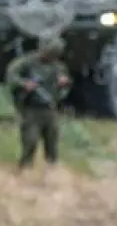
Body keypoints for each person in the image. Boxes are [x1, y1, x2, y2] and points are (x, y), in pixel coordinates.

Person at [5, 36, 71, 170]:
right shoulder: (26, 62)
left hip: (50, 108)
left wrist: (63, 84)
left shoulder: (58, 67)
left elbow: (65, 86)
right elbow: (11, 76)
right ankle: (25, 169)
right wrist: (24, 84)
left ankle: (52, 169)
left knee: (52, 141)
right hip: (31, 109)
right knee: (31, 140)